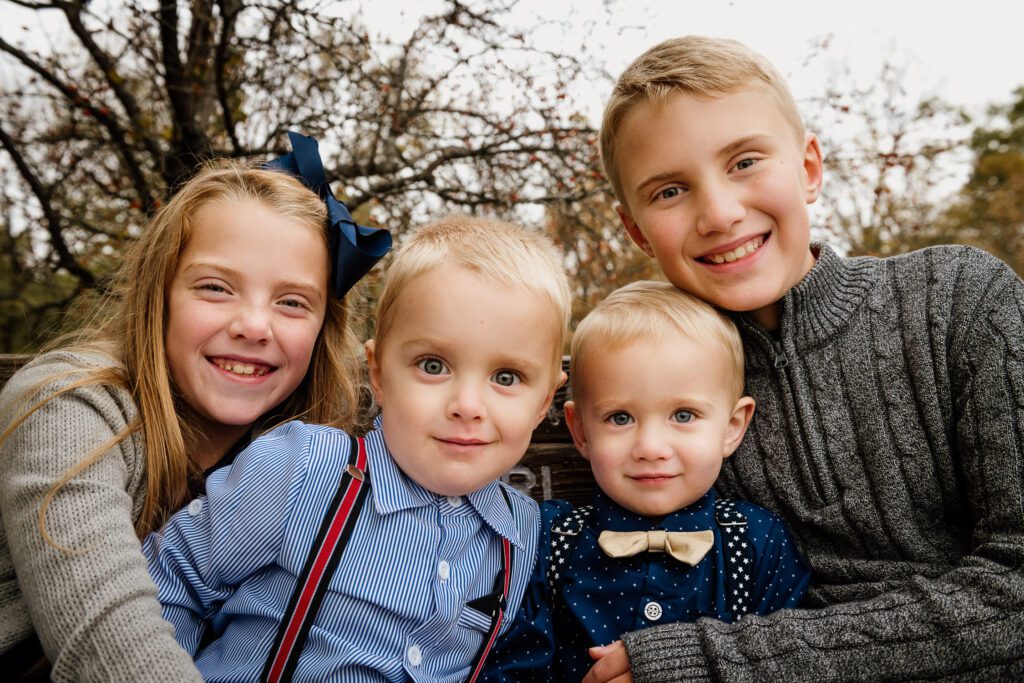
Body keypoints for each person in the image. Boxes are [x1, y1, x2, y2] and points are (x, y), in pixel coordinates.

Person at [582, 35, 1024, 682]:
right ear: (635, 230)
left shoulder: (962, 300)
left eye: (745, 161)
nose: (720, 212)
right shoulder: (663, 393)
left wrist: (718, 660)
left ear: (809, 168)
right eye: (670, 191)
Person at [0, 132, 390, 682]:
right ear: (160, 294)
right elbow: (107, 641)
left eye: (292, 302)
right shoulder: (68, 407)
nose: (254, 326)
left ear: (324, 327)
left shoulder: (309, 446)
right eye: (214, 288)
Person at [142, 215, 573, 682]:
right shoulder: (305, 469)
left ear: (544, 402)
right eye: (433, 365)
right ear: (379, 374)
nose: (467, 406)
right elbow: (169, 582)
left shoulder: (523, 535)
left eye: (506, 378)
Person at [483, 281, 809, 680]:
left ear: (732, 427)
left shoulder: (757, 543)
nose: (651, 447)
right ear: (581, 431)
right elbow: (515, 664)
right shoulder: (548, 540)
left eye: (683, 415)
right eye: (620, 418)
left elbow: (785, 660)